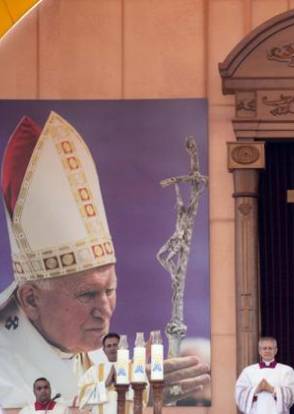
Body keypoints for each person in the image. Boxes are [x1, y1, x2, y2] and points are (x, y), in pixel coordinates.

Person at [0, 112, 210, 408]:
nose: (105, 310)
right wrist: (118, 397)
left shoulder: (95, 356)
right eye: (87, 294)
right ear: (31, 299)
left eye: (110, 290)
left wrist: (134, 398)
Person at [77, 333, 146, 414]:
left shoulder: (135, 368)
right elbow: (83, 399)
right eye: (109, 346)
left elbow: (143, 395)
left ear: (121, 347)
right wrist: (104, 385)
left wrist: (123, 386)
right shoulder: (94, 371)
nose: (112, 348)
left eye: (115, 345)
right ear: (104, 350)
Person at [235, 336, 294, 413]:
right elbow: (239, 393)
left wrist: (272, 389)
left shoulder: (287, 371)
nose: (267, 351)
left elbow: (293, 392)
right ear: (259, 351)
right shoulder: (248, 371)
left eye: (270, 348)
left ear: (276, 350)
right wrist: (256, 389)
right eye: (264, 348)